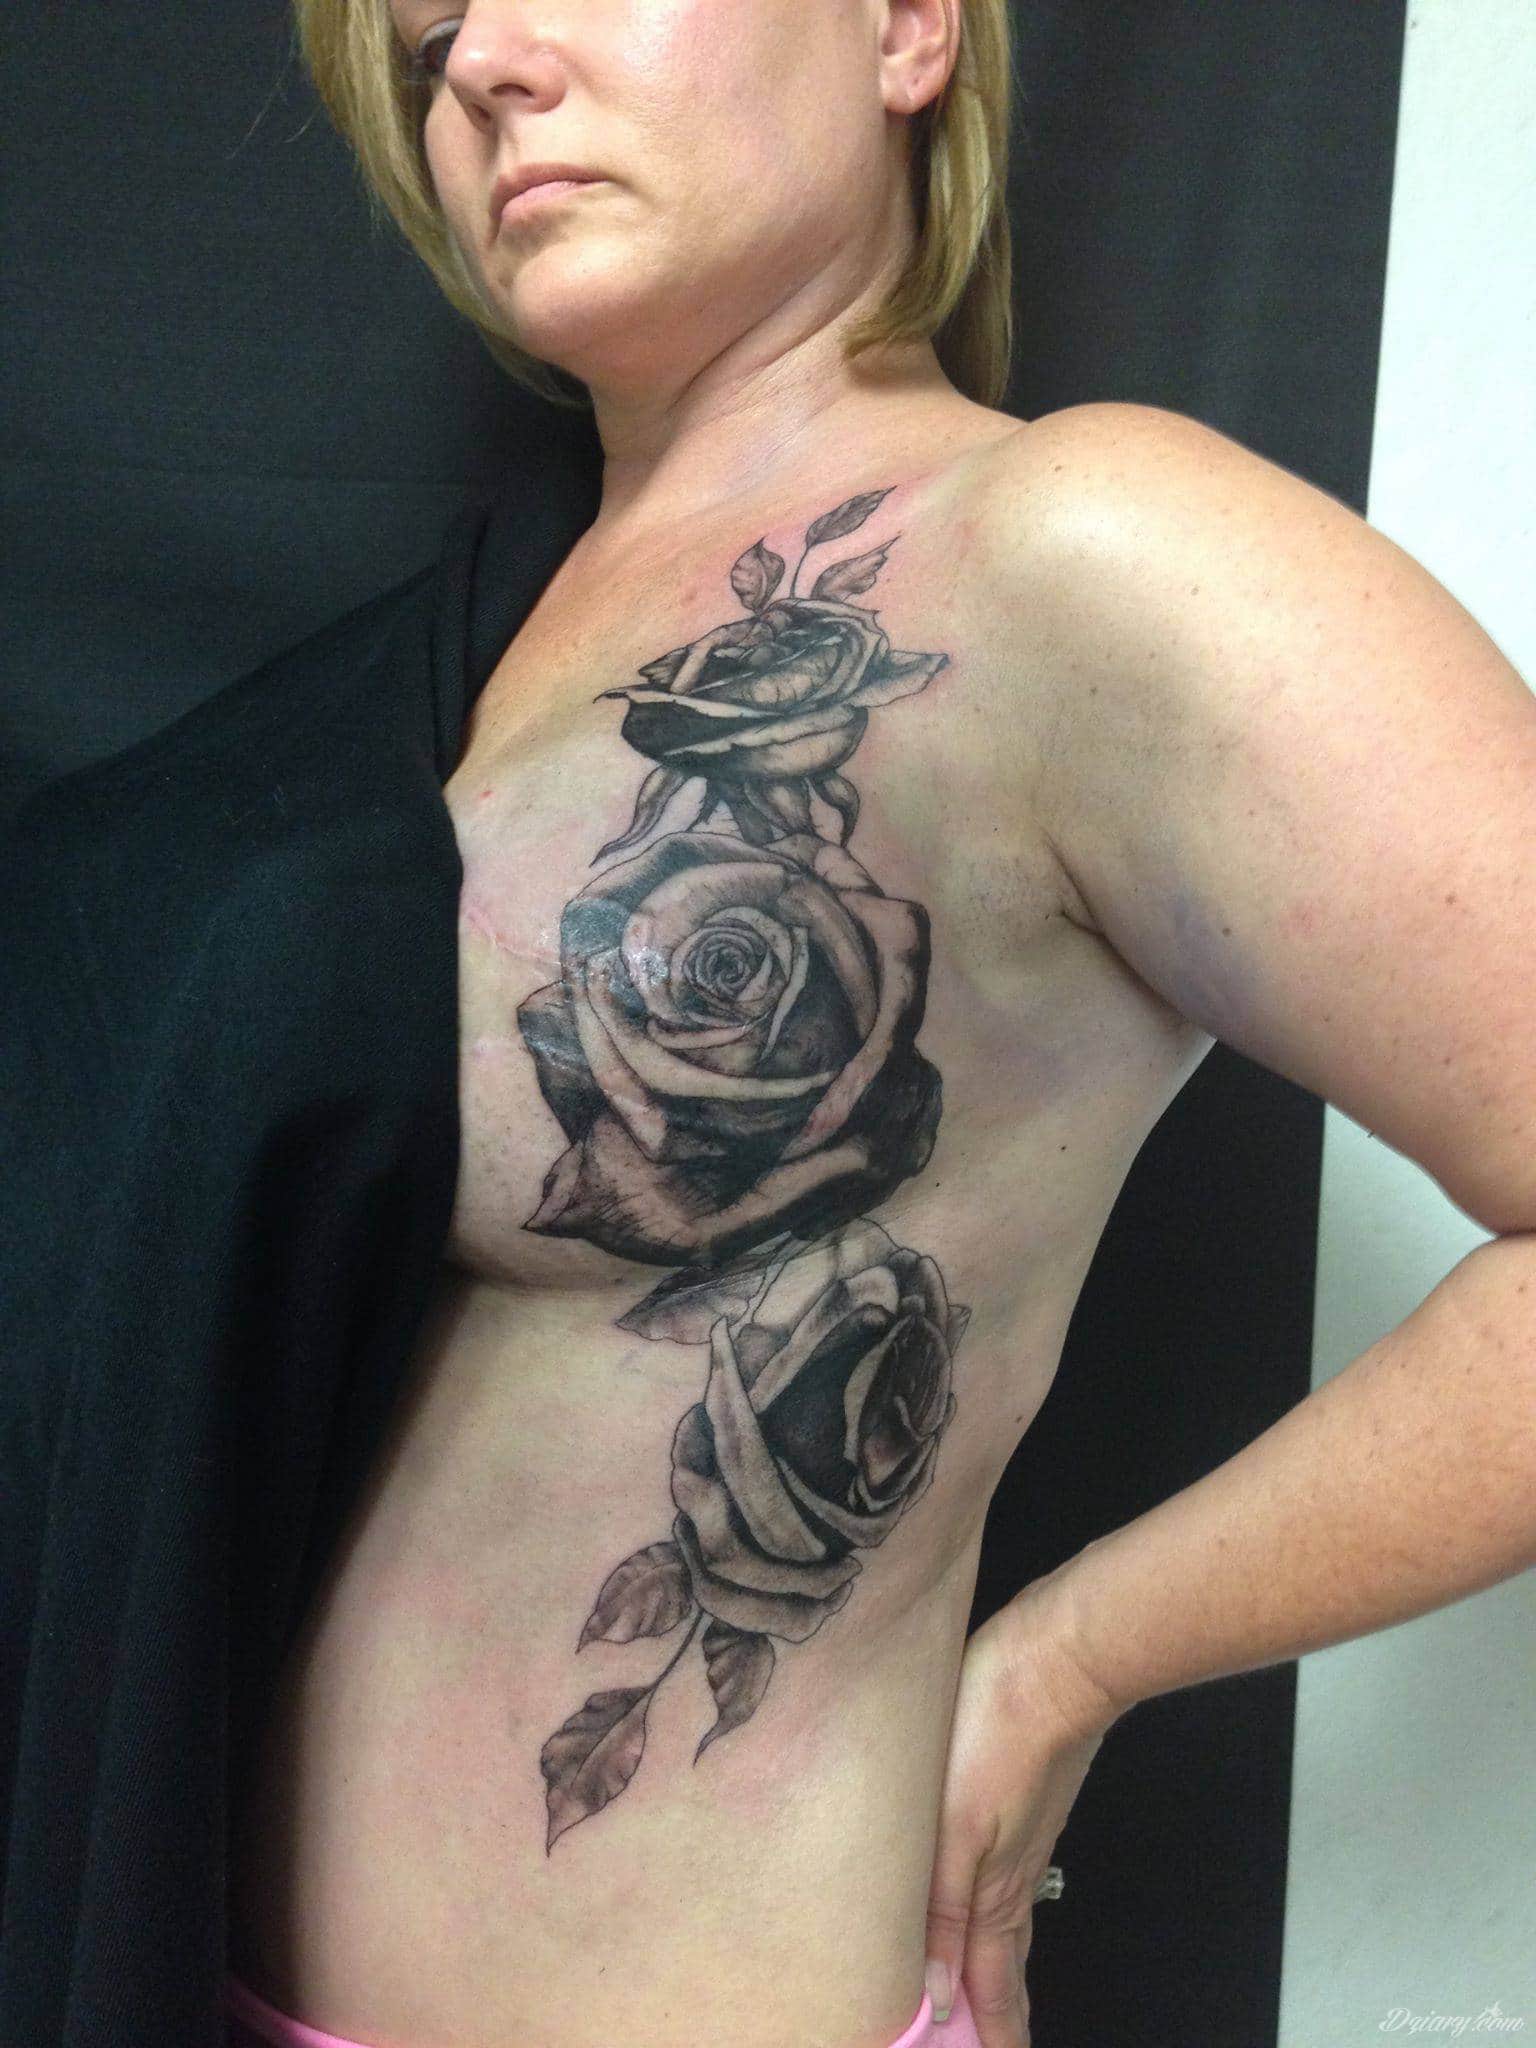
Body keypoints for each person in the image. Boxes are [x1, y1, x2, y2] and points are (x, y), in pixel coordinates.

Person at [8, 4, 1533, 2048]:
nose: (483, 65)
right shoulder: (479, 650)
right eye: (430, 33)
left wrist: (1073, 1660)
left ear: (905, 27)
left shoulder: (1072, 557)